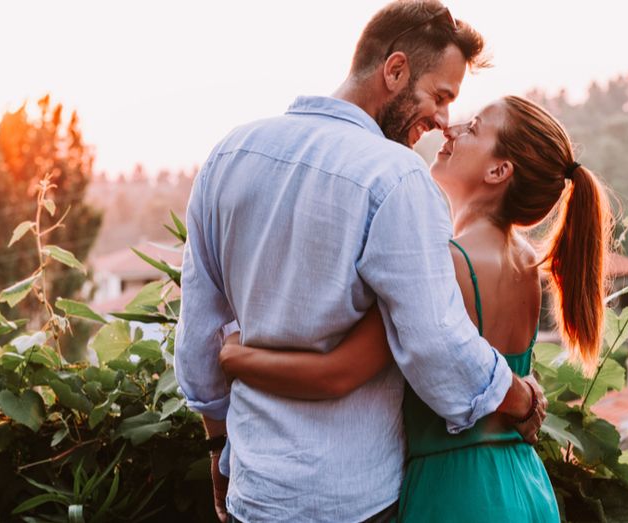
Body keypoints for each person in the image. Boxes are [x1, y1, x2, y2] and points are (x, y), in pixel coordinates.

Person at [174, 2, 545, 522]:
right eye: (440, 97)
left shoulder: (229, 155)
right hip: (354, 500)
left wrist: (218, 453)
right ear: (394, 70)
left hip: (253, 494)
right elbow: (435, 344)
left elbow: (198, 338)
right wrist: (521, 399)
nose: (442, 122)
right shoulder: (396, 178)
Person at [221, 95, 613, 521]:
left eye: (475, 128)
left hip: (457, 495)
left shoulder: (442, 264)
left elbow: (336, 373)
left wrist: (235, 355)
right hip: (525, 486)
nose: (452, 129)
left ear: (499, 171)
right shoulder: (523, 263)